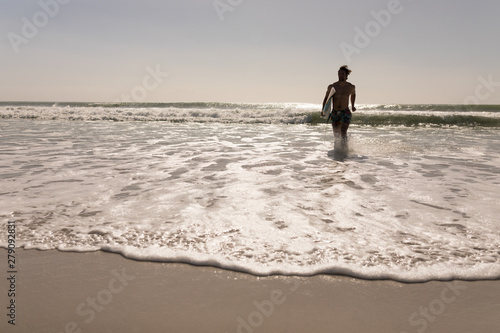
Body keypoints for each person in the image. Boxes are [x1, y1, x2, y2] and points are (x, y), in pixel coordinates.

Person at [321, 65, 356, 146]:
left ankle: (344, 149)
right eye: (339, 73)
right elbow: (326, 98)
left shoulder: (351, 87)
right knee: (336, 134)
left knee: (343, 131)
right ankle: (338, 150)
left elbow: (353, 95)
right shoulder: (332, 87)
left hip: (345, 112)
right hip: (335, 112)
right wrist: (323, 110)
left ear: (346, 75)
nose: (340, 75)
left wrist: (353, 105)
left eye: (342, 73)